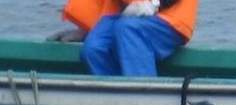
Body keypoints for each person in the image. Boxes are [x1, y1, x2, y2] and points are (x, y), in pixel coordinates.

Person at [48, 0, 199, 77]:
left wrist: (155, 3)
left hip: (169, 18)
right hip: (127, 17)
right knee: (93, 48)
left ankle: (144, 101)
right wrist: (89, 29)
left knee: (128, 30)